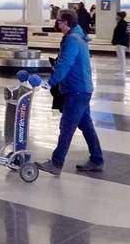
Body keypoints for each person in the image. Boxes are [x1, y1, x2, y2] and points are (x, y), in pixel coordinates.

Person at [38, 10, 104, 175]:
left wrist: (51, 82)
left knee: (66, 126)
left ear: (66, 22)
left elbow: (65, 64)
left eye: (59, 21)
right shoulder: (78, 37)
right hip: (82, 89)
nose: (57, 24)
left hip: (76, 90)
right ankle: (97, 159)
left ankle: (56, 163)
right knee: (86, 125)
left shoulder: (73, 40)